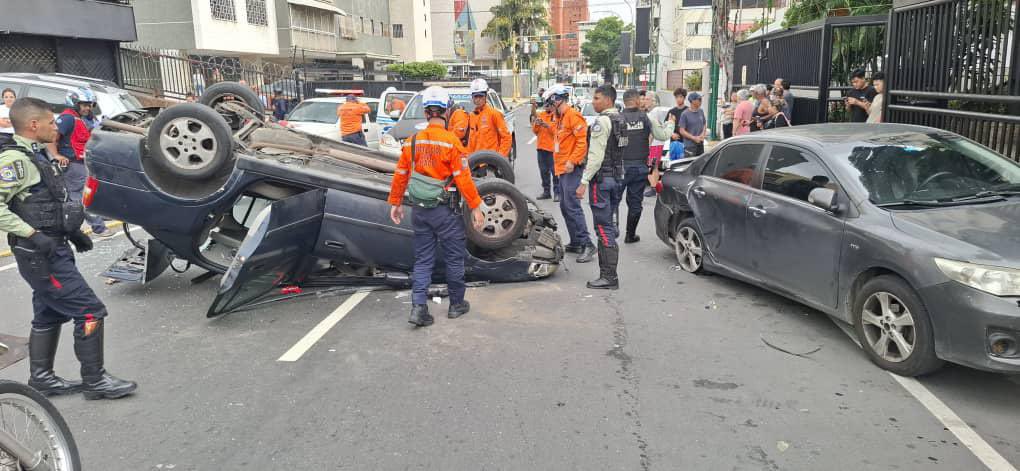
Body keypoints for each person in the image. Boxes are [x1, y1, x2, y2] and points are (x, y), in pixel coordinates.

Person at [1, 97, 137, 399]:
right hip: (41, 254)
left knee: (48, 313)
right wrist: (34, 235)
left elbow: (44, 201)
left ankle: (42, 378)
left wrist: (71, 232)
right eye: (51, 123)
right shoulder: (14, 160)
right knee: (89, 311)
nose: (56, 128)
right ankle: (95, 380)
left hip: (50, 249)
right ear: (34, 125)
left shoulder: (34, 154)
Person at [387, 86, 485, 327]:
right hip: (446, 212)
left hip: (420, 210)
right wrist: (477, 205)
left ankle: (418, 308)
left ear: (426, 112)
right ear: (446, 110)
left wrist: (396, 202)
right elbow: (463, 177)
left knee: (423, 260)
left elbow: (401, 174)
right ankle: (456, 305)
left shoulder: (412, 142)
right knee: (453, 258)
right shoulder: (451, 142)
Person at [576, 85, 627, 289]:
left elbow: (595, 158)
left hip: (602, 182)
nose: (593, 101)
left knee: (603, 228)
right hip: (617, 178)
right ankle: (608, 274)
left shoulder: (602, 122)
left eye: (596, 98)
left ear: (607, 100)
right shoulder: (622, 120)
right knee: (609, 225)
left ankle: (609, 277)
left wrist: (583, 182)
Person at [543, 85, 595, 263]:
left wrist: (572, 161)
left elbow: (582, 142)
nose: (549, 107)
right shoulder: (560, 118)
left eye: (550, 103)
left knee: (572, 206)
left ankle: (587, 244)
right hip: (562, 169)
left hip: (571, 168)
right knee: (566, 207)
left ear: (557, 100)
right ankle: (576, 241)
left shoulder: (573, 116)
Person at [49, 88, 111, 238]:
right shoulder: (67, 118)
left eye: (89, 105)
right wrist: (56, 155)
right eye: (84, 105)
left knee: (92, 191)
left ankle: (95, 218)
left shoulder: (88, 118)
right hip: (73, 163)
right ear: (75, 103)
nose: (87, 108)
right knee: (80, 196)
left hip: (87, 161)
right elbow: (52, 137)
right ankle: (98, 227)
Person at [618, 89, 673, 243]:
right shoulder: (647, 118)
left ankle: (612, 231)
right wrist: (671, 124)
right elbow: (663, 135)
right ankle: (630, 234)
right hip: (639, 167)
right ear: (636, 101)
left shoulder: (616, 118)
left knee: (613, 200)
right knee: (635, 203)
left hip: (620, 168)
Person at [466, 78, 512, 158]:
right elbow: (471, 142)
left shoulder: (494, 114)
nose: (478, 99)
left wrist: (499, 158)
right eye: (475, 96)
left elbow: (506, 138)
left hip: (491, 163)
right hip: (475, 163)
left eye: (480, 96)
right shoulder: (472, 116)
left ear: (486, 96)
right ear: (472, 98)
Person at [641, 91, 668, 197]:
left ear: (653, 101)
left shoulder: (654, 112)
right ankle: (655, 187)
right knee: (653, 166)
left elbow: (652, 130)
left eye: (647, 99)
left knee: (651, 166)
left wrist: (647, 144)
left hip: (655, 144)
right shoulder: (654, 112)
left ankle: (654, 187)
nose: (645, 101)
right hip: (657, 143)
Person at [531, 98, 559, 201]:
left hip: (552, 150)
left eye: (549, 105)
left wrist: (547, 125)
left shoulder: (556, 116)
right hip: (541, 148)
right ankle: (546, 192)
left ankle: (557, 193)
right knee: (543, 172)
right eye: (545, 105)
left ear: (553, 105)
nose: (547, 107)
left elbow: (557, 132)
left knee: (555, 172)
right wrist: (537, 124)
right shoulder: (541, 115)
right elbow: (535, 131)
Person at [678, 92, 708, 157]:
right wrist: (693, 138)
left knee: (701, 165)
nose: (701, 101)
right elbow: (681, 131)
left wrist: (703, 134)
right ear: (692, 101)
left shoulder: (701, 111)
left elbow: (704, 123)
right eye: (699, 99)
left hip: (700, 145)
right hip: (689, 147)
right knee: (690, 165)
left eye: (701, 99)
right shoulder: (685, 114)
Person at [667, 88, 688, 159]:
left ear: (684, 98)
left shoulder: (688, 111)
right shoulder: (671, 111)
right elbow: (665, 127)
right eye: (676, 97)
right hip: (673, 143)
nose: (678, 99)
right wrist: (671, 134)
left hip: (686, 144)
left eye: (680, 97)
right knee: (672, 165)